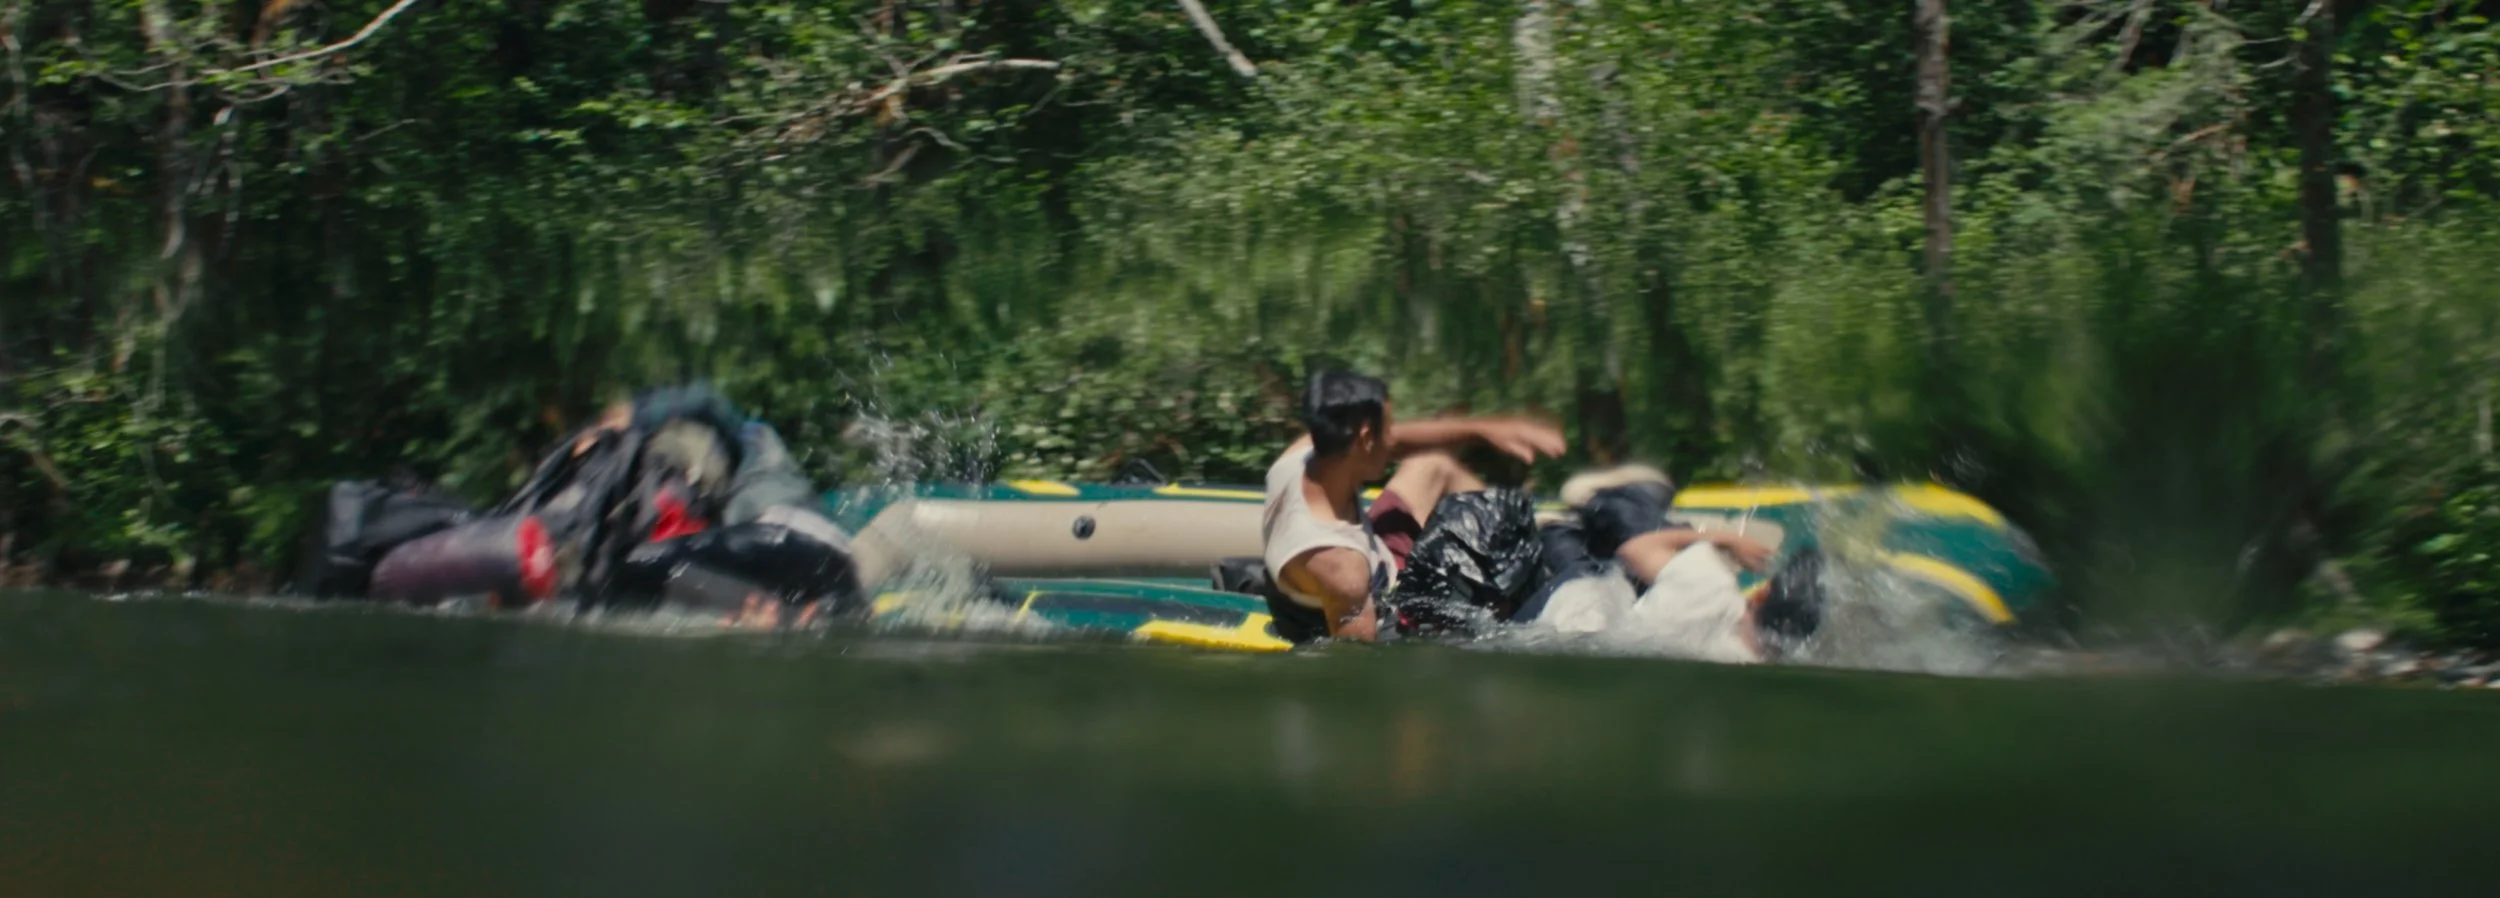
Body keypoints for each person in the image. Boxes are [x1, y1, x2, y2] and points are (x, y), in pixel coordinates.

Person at [1260, 369, 1566, 642]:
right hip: (1386, 602)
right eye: (1388, 427)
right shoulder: (1342, 567)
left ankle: (1530, 547)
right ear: (1366, 438)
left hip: (1375, 557)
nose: (1392, 439)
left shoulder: (1301, 456)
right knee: (1481, 543)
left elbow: (1401, 442)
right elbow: (1359, 670)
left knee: (1434, 465)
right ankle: (1541, 588)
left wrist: (1484, 430)